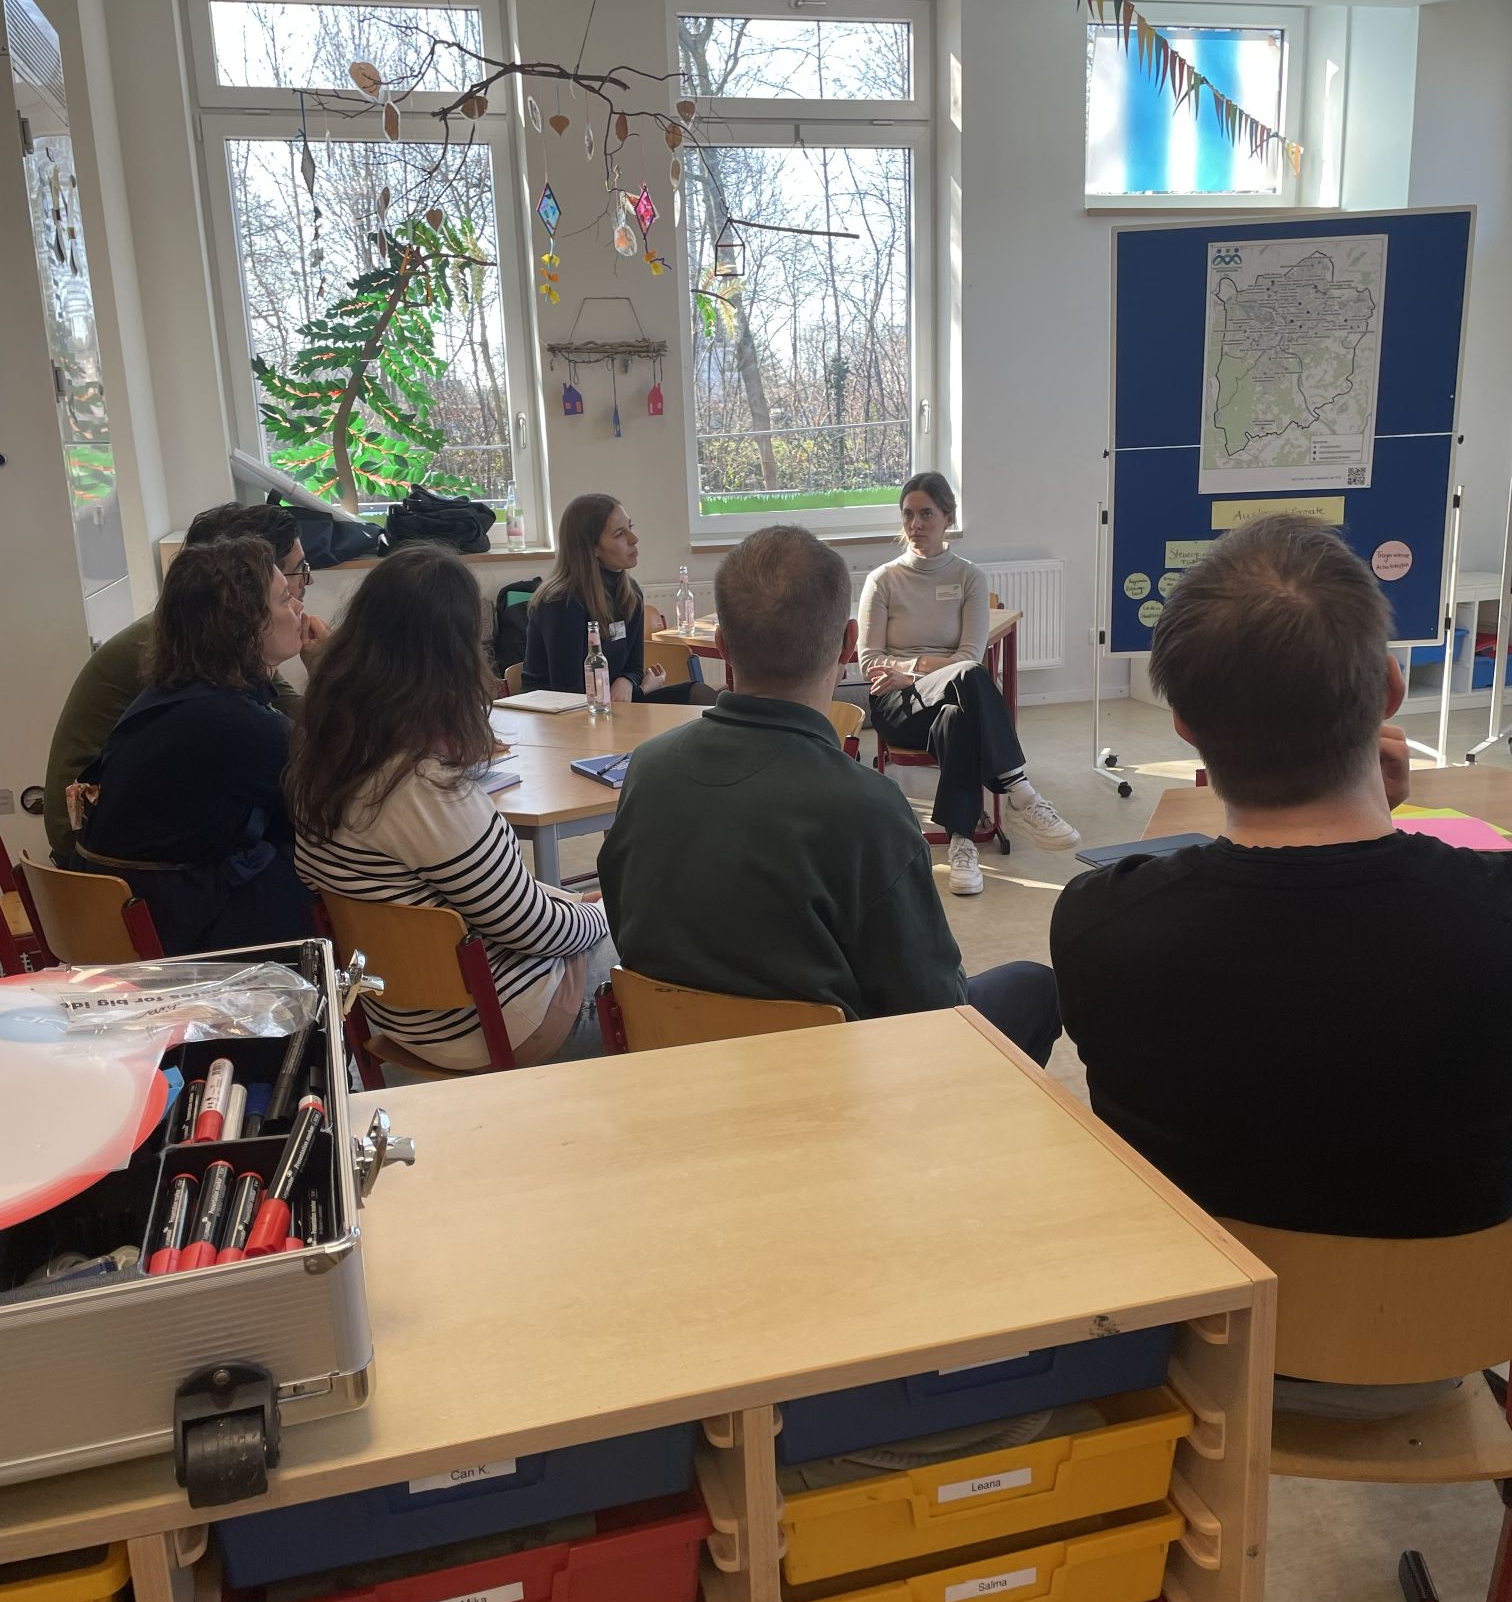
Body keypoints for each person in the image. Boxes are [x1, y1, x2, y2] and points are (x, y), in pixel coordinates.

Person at [1051, 513, 1512, 1243]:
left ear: (1184, 723)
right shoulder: (1492, 916)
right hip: (1459, 1307)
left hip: (1206, 1302)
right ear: (1390, 689)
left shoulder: (1098, 923)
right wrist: (1381, 822)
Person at [598, 525, 1060, 1062]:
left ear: (722, 645)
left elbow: (624, 926)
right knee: (1035, 987)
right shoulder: (868, 808)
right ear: (847, 645)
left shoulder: (646, 770)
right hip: (829, 1079)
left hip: (674, 1063)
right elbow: (932, 1007)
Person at [289, 545, 612, 1071]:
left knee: (591, 908)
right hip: (498, 1023)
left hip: (403, 1015)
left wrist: (573, 905)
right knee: (666, 945)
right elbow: (529, 928)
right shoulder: (421, 786)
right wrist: (602, 914)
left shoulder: (326, 754)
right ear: (452, 657)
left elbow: (488, 899)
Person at [44, 501, 330, 859]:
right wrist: (329, 671)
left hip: (125, 843)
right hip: (94, 845)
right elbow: (312, 753)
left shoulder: (195, 655)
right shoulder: (199, 680)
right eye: (290, 582)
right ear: (241, 600)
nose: (305, 586)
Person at [74, 538, 316, 954]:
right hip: (182, 934)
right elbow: (344, 783)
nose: (298, 606)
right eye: (283, 599)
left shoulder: (166, 696)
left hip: (127, 915)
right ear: (242, 625)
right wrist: (328, 670)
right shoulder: (234, 722)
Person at [859, 473, 1080, 895]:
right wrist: (917, 674)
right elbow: (870, 661)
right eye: (908, 515)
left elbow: (970, 657)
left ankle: (962, 843)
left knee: (959, 715)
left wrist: (912, 670)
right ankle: (1019, 790)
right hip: (897, 705)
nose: (915, 524)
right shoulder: (883, 580)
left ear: (948, 517)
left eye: (926, 514)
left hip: (945, 696)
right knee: (969, 679)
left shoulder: (970, 577)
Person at [523, 495, 715, 705]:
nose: (634, 538)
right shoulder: (561, 602)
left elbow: (634, 667)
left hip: (612, 704)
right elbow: (570, 693)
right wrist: (642, 690)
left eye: (630, 527)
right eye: (619, 534)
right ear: (593, 548)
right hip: (562, 712)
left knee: (699, 694)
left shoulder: (630, 594)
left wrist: (627, 680)